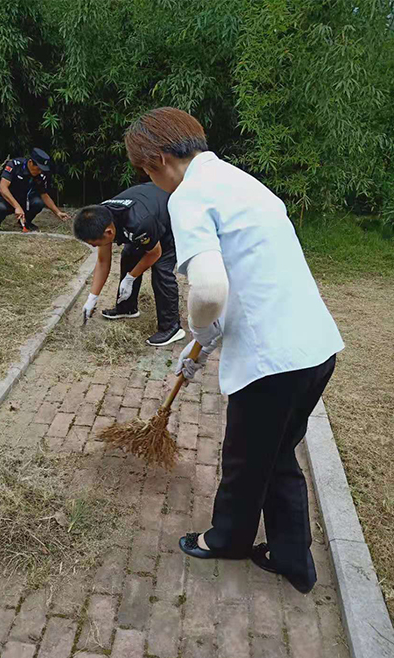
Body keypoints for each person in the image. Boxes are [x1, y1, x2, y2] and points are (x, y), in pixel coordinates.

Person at [124, 107, 344, 593]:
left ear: (159, 160)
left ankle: (226, 539)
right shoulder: (242, 182)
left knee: (245, 459)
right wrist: (202, 343)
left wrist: (200, 331)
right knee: (278, 453)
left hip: (273, 362)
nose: (151, 181)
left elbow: (209, 291)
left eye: (146, 171)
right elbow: (244, 279)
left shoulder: (189, 196)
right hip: (315, 348)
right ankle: (292, 559)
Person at [73, 183, 186, 347]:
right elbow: (103, 262)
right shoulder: (102, 218)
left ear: (109, 233)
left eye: (95, 244)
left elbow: (155, 253)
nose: (94, 247)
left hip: (169, 220)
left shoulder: (139, 223)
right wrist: (92, 297)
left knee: (161, 270)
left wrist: (131, 277)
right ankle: (127, 308)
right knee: (129, 255)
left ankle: (172, 327)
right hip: (147, 210)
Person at [0, 148, 68, 231]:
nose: (40, 172)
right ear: (30, 162)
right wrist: (17, 207)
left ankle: (26, 222)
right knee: (0, 207)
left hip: (25, 200)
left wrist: (57, 212)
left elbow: (44, 194)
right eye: (38, 168)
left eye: (41, 170)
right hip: (8, 199)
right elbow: (3, 188)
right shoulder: (14, 165)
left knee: (38, 203)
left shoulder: (40, 175)